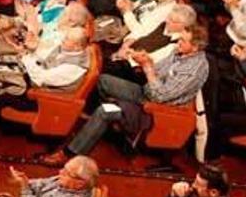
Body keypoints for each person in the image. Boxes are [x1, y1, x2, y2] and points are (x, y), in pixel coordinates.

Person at [41, 25, 210, 165]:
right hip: (147, 92)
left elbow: (160, 96)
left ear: (195, 47)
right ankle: (102, 127)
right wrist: (146, 61)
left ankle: (70, 154)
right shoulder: (178, 52)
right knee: (103, 80)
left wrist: (148, 68)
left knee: (105, 111)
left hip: (157, 109)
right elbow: (157, 72)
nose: (177, 42)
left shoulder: (194, 70)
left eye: (182, 41)